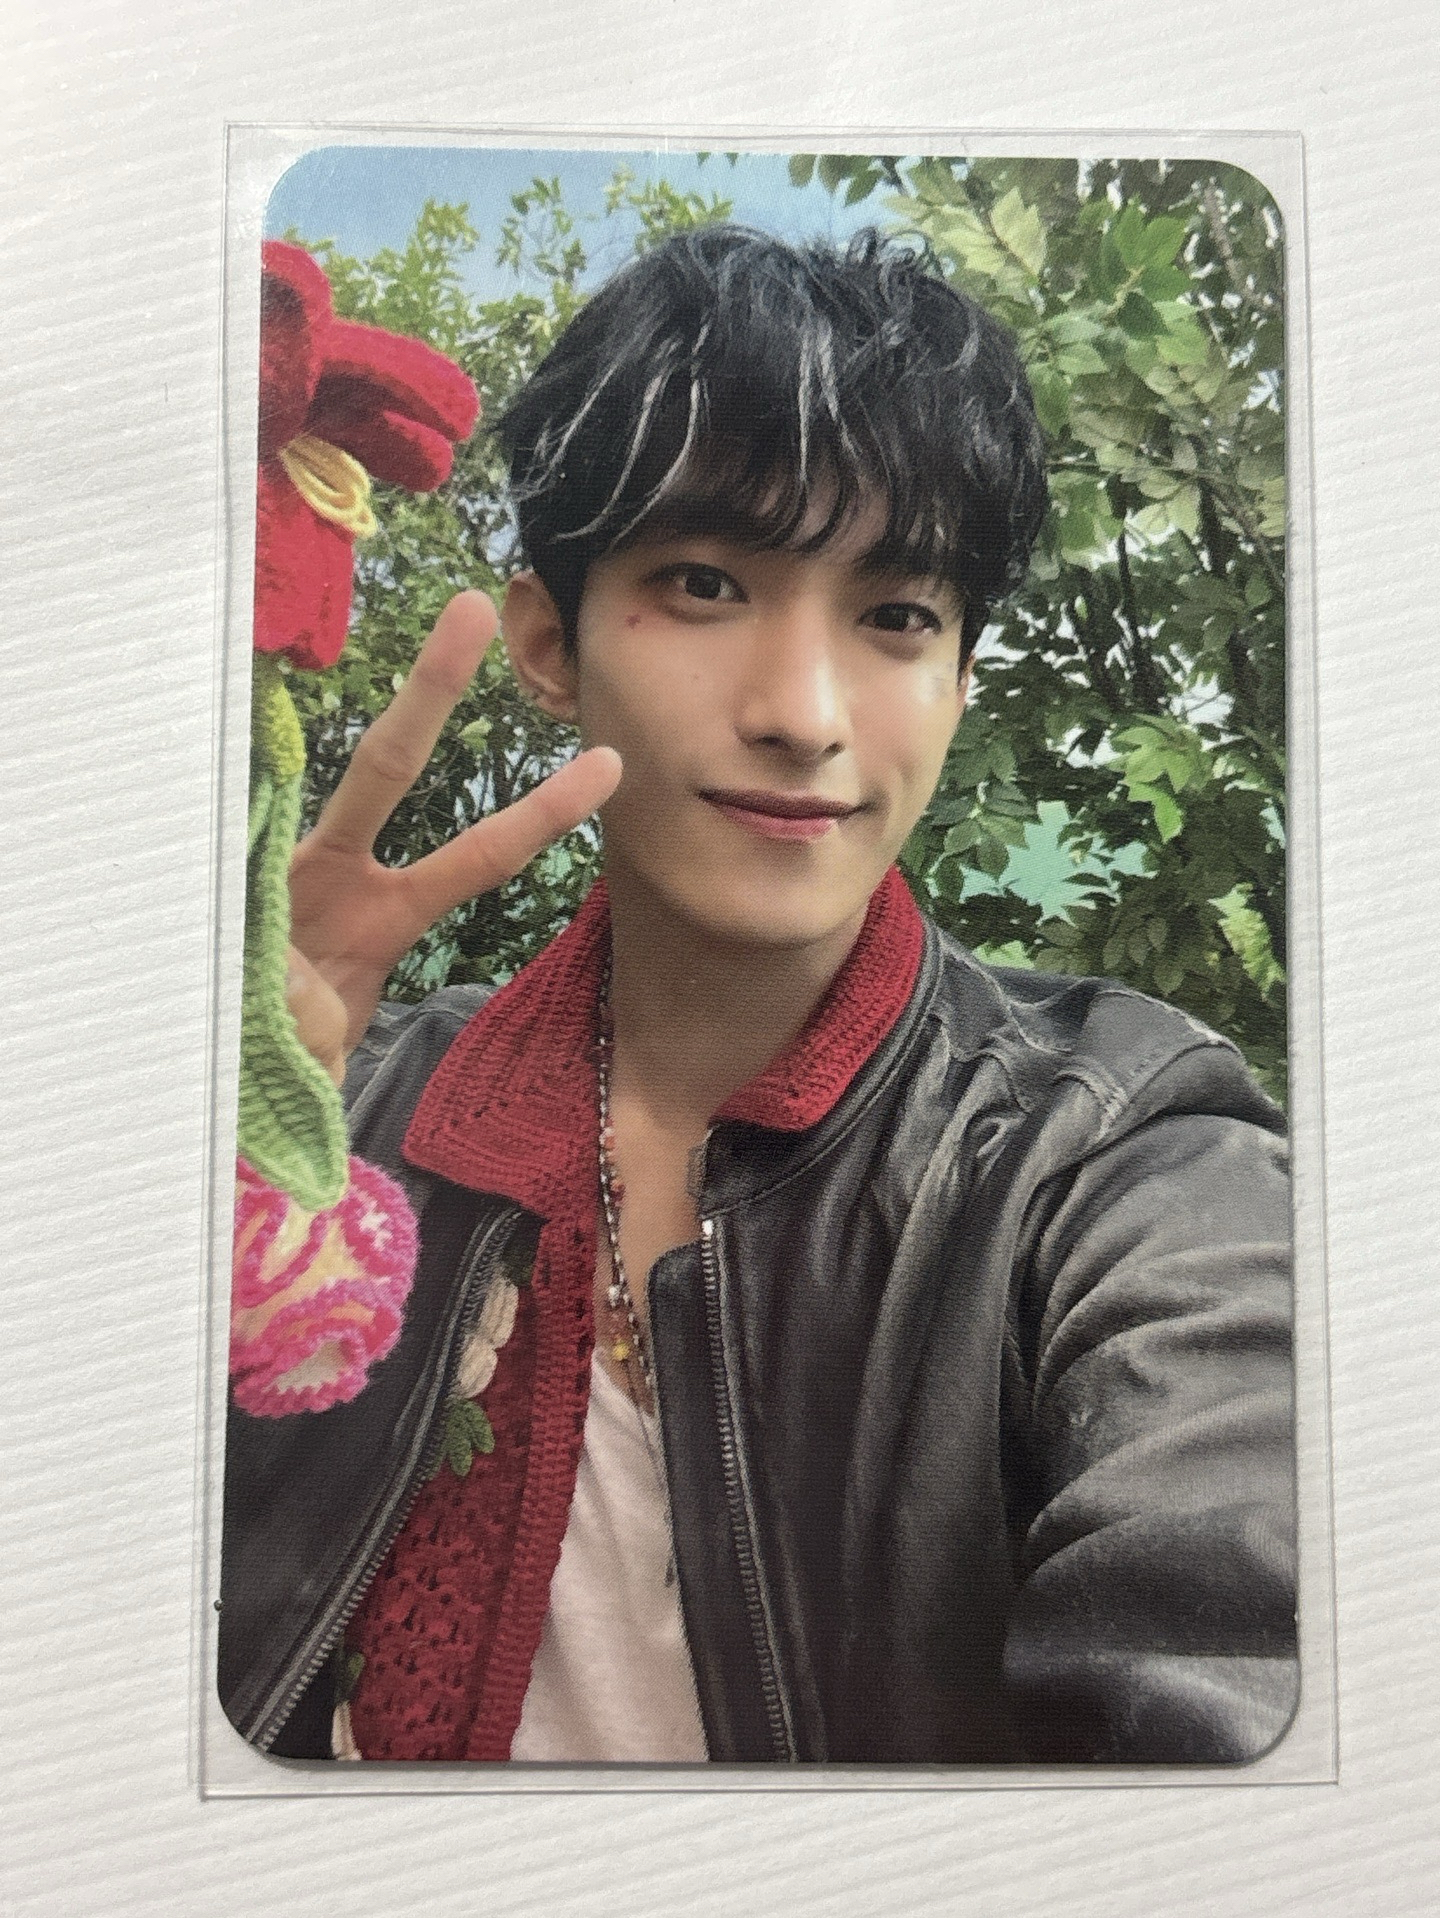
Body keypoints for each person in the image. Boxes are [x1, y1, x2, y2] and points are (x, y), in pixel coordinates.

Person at [218, 225, 1297, 1766]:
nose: (804, 713)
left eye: (898, 614)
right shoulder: (341, 1111)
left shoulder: (1112, 1158)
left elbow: (1235, 1662)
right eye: (707, 583)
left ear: (961, 681)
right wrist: (215, 1138)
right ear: (548, 643)